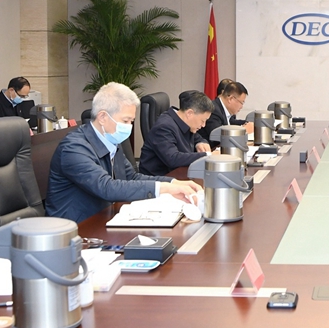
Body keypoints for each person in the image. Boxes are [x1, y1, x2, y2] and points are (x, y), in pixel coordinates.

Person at [45, 82, 201, 223]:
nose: (129, 127)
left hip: (103, 219)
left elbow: (132, 177)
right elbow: (107, 187)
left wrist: (173, 183)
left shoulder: (110, 140)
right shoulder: (73, 148)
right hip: (73, 230)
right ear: (102, 117)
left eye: (131, 121)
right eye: (125, 121)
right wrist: (164, 189)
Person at [138, 90, 215, 175]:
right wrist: (208, 156)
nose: (203, 125)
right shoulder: (163, 127)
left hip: (177, 173)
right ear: (189, 113)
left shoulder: (183, 120)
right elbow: (173, 158)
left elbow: (196, 136)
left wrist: (200, 142)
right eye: (202, 121)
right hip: (160, 178)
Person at [201, 80, 254, 147]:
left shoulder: (226, 111)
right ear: (230, 99)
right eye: (241, 102)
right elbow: (219, 137)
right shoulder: (214, 110)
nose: (241, 107)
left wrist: (249, 123)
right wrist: (243, 130)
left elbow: (232, 122)